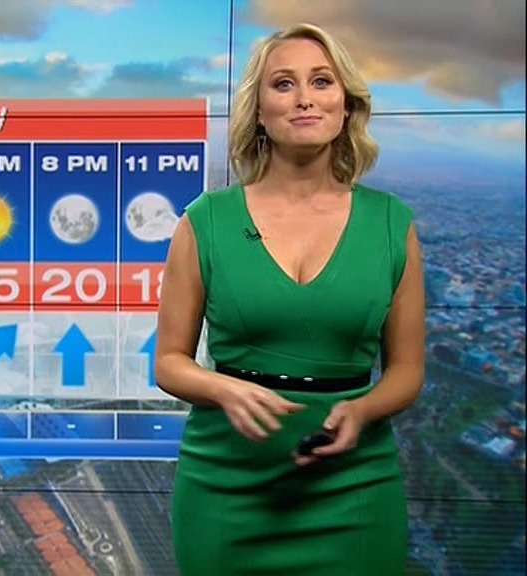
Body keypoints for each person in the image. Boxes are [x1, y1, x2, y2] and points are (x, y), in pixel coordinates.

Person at [154, 22, 426, 576]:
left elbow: (406, 372)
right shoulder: (206, 221)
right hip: (227, 486)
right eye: (283, 84)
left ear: (346, 105)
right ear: (259, 110)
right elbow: (169, 362)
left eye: (321, 81)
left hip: (354, 487)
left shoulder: (391, 223)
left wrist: (362, 409)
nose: (304, 97)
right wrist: (225, 389)